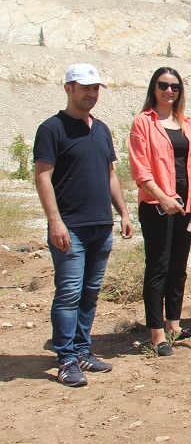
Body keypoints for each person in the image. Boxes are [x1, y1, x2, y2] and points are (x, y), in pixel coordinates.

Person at [33, 63, 133, 387]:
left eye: (96, 88)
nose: (91, 94)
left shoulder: (101, 129)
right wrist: (55, 221)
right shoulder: (52, 129)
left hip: (101, 226)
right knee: (69, 294)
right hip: (70, 228)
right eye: (85, 88)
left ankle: (82, 352)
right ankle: (65, 360)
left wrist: (124, 212)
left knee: (89, 293)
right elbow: (42, 176)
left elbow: (110, 175)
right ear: (68, 88)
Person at [128, 68, 191, 357]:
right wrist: (161, 197)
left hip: (187, 207)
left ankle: (174, 324)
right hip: (157, 207)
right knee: (158, 267)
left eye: (174, 87)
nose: (169, 91)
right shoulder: (143, 122)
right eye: (163, 85)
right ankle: (157, 333)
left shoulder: (187, 123)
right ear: (154, 88)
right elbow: (140, 168)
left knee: (178, 267)